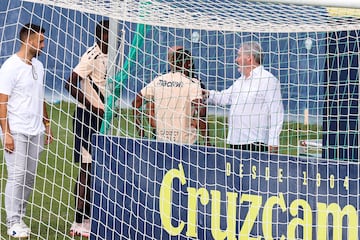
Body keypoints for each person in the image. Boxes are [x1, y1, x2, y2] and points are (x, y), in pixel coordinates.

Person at [0, 23, 53, 238]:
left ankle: (19, 218)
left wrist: (47, 126)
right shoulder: (10, 67)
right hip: (17, 131)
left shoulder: (38, 66)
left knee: (29, 178)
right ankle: (12, 222)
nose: (43, 45)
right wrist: (7, 133)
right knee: (17, 175)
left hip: (36, 131)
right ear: (28, 40)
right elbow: (2, 103)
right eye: (40, 41)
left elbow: (40, 98)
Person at [64, 19, 109, 238]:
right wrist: (93, 107)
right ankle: (78, 222)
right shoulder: (91, 56)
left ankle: (92, 218)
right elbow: (69, 82)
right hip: (87, 118)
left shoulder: (114, 56)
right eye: (113, 34)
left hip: (103, 119)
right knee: (86, 169)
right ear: (103, 35)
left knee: (99, 170)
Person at [206, 41, 284, 153]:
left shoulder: (268, 80)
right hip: (235, 141)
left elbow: (276, 112)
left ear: (250, 58)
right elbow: (224, 97)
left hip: (256, 143)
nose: (236, 60)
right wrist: (206, 94)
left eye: (239, 56)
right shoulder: (240, 81)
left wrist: (273, 141)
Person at [132, 47, 205, 145]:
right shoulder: (192, 83)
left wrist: (140, 132)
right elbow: (201, 110)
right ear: (188, 64)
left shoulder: (158, 80)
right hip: (186, 141)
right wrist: (206, 139)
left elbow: (135, 103)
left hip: (162, 140)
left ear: (172, 63)